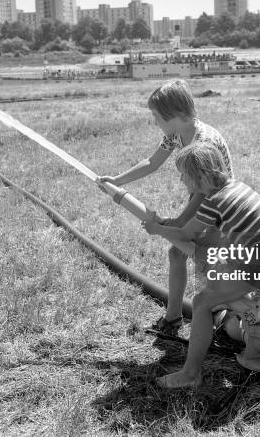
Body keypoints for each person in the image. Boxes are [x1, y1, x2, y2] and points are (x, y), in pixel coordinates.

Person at [143, 141, 260, 388]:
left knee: (201, 302)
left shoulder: (213, 201)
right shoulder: (236, 188)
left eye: (183, 175)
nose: (181, 181)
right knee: (215, 264)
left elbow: (185, 235)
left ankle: (190, 375)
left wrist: (156, 228)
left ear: (199, 176)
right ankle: (245, 320)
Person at [97, 79, 234, 336]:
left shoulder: (205, 141)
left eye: (157, 116)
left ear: (177, 115)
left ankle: (223, 314)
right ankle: (175, 316)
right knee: (178, 253)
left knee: (206, 259)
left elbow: (208, 193)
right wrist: (117, 180)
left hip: (220, 206)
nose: (154, 121)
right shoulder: (175, 133)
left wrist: (181, 221)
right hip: (202, 199)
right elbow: (152, 162)